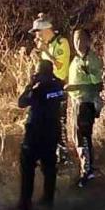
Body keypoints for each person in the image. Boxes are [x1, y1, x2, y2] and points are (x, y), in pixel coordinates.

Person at [17, 59, 66, 210]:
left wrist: (30, 85)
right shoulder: (58, 87)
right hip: (52, 131)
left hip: (35, 132)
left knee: (28, 167)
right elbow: (62, 91)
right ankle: (48, 200)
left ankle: (25, 203)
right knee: (49, 167)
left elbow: (21, 102)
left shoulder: (38, 90)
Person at [30, 13, 73, 165]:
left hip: (59, 86)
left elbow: (60, 67)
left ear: (47, 30)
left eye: (39, 32)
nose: (38, 36)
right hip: (46, 88)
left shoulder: (62, 43)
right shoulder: (45, 46)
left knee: (59, 123)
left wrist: (46, 51)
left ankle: (64, 157)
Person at [66, 28, 104, 186]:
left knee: (83, 137)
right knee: (78, 137)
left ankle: (87, 172)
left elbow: (98, 85)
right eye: (75, 39)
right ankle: (87, 169)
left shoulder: (92, 60)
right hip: (76, 102)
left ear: (88, 41)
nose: (77, 42)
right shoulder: (76, 60)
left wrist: (75, 88)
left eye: (81, 39)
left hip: (86, 103)